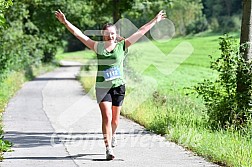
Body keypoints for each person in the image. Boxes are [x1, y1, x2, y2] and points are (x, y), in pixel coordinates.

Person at [55, 9, 166, 160]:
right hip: (102, 87)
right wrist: (65, 21)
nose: (110, 36)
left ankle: (112, 135)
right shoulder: (97, 46)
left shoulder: (122, 46)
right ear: (103, 34)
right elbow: (79, 34)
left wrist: (155, 20)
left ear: (116, 34)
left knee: (115, 120)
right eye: (107, 33)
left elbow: (140, 32)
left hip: (119, 86)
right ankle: (108, 149)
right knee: (106, 117)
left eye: (113, 33)